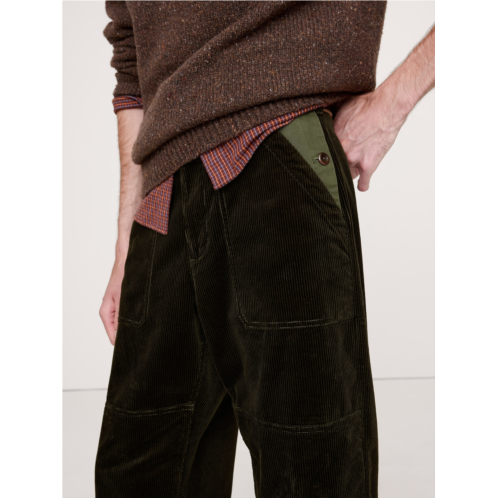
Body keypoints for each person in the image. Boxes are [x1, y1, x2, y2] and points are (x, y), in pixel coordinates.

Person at [96, 1, 435, 496]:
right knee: (134, 475)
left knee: (312, 473)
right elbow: (130, 53)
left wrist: (389, 108)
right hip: (163, 194)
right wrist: (126, 239)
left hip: (276, 148)